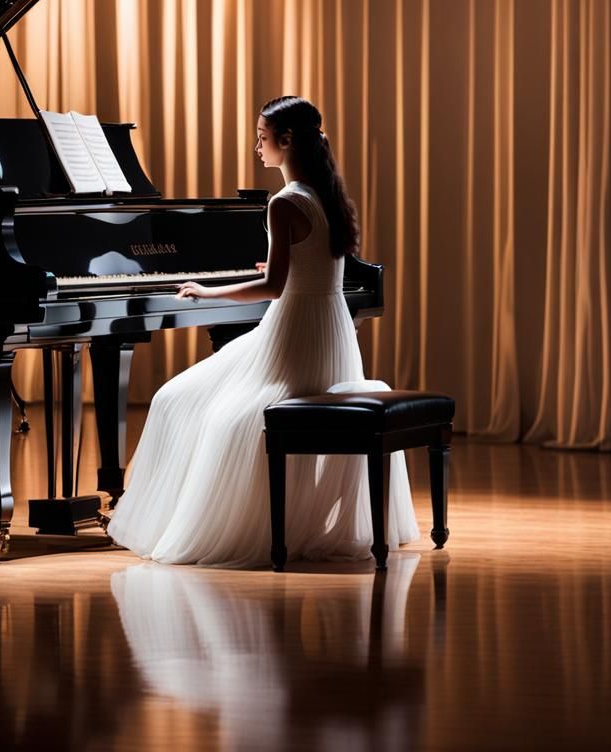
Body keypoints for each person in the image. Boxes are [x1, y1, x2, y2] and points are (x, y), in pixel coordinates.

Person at [106, 96, 419, 566]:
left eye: (261, 136)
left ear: (286, 140)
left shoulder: (285, 201)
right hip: (328, 334)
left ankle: (217, 526)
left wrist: (207, 292)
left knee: (192, 405)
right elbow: (309, 265)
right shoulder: (323, 193)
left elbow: (273, 287)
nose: (257, 145)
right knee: (197, 402)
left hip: (293, 336)